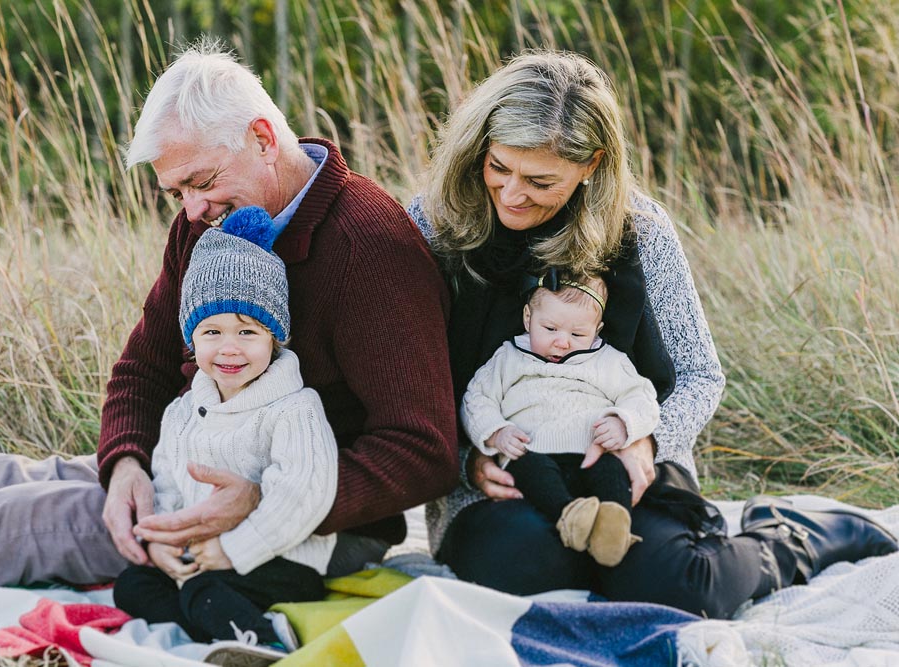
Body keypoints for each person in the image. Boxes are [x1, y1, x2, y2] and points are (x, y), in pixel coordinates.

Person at [0, 40, 458, 587]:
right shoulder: (204, 226)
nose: (192, 210)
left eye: (202, 181)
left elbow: (423, 449)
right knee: (5, 479)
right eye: (176, 193)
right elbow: (144, 366)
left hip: (305, 520)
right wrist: (124, 466)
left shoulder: (370, 245)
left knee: (16, 522)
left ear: (262, 139)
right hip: (189, 459)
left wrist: (263, 501)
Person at [408, 49, 897, 619]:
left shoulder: (641, 230)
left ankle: (792, 538)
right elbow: (409, 384)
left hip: (625, 459)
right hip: (508, 472)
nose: (513, 194)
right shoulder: (433, 226)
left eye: (540, 181)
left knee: (679, 586)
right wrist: (468, 460)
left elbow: (699, 374)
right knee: (519, 568)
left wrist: (648, 443)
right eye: (499, 168)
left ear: (591, 164)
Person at [112, 206, 334, 651]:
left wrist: (232, 551)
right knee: (133, 585)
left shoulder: (294, 409)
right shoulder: (183, 410)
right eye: (211, 332)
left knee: (200, 591)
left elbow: (302, 495)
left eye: (248, 332)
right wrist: (164, 542)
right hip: (206, 558)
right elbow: (168, 484)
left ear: (275, 336)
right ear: (191, 340)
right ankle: (224, 625)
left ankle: (262, 645)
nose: (229, 348)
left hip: (278, 557)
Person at [461, 273, 658, 567]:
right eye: (550, 328)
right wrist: (495, 432)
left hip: (591, 451)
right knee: (531, 471)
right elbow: (476, 398)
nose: (562, 342)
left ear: (597, 328)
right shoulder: (508, 357)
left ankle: (613, 528)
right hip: (532, 449)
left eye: (578, 334)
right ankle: (569, 515)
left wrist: (623, 422)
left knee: (611, 473)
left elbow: (641, 396)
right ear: (528, 318)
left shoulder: (608, 360)